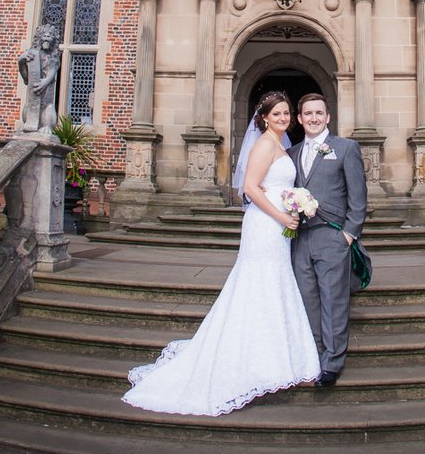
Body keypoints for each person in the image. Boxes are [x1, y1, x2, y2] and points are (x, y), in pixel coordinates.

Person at [122, 92, 319, 415]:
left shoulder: (279, 144)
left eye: (286, 113)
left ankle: (271, 355)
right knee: (260, 284)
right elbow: (250, 189)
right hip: (266, 225)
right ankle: (255, 360)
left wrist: (293, 204)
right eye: (277, 114)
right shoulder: (266, 144)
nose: (283, 118)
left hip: (275, 228)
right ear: (264, 118)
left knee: (272, 285)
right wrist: (284, 215)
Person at [290, 93, 367, 387]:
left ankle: (333, 362)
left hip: (333, 236)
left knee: (334, 301)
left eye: (318, 113)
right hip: (301, 239)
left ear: (328, 117)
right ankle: (316, 354)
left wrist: (348, 234)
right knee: (308, 299)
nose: (313, 118)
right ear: (300, 118)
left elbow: (358, 198)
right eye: (307, 113)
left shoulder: (345, 148)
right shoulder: (292, 154)